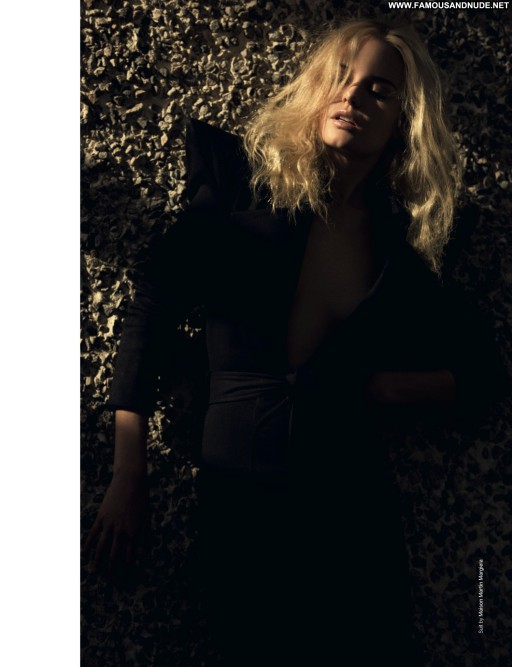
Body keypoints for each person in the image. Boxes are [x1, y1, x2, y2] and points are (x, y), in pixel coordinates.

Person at [85, 18, 509, 666]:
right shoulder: (241, 184)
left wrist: (388, 389)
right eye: (341, 76)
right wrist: (128, 471)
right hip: (240, 502)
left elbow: (482, 372)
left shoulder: (405, 245)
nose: (353, 95)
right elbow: (154, 306)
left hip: (352, 515)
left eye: (379, 90)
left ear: (404, 120)